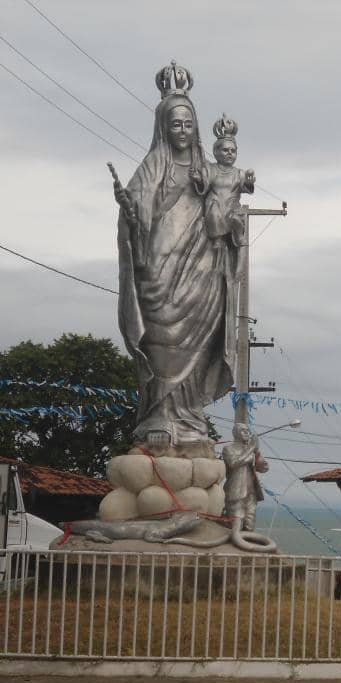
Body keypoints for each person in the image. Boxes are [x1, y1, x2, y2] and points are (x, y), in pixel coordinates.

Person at [112, 62, 237, 452]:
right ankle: (159, 415)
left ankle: (190, 416)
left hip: (201, 268)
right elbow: (137, 205)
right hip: (159, 269)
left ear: (195, 126)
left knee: (198, 343)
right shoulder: (154, 164)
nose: (181, 131)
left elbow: (225, 207)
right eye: (174, 124)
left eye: (187, 124)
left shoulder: (208, 166)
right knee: (162, 334)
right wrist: (129, 207)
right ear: (163, 127)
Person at [189, 113, 255, 279]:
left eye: (233, 151)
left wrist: (248, 181)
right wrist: (198, 179)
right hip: (215, 207)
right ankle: (218, 241)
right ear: (216, 152)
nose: (229, 153)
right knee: (214, 210)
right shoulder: (211, 169)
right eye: (225, 150)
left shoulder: (238, 173)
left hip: (232, 209)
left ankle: (239, 247)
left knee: (236, 220)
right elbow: (202, 185)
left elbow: (246, 187)